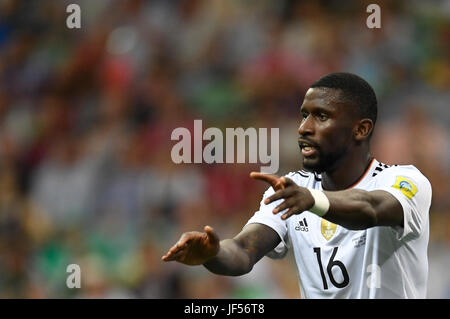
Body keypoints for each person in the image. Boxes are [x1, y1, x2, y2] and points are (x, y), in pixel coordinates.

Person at [161, 72, 432, 298]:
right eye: (304, 115)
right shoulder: (290, 190)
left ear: (360, 129)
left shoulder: (405, 181)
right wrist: (213, 254)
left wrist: (313, 200)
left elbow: (370, 208)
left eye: (321, 117)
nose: (304, 128)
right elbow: (243, 252)